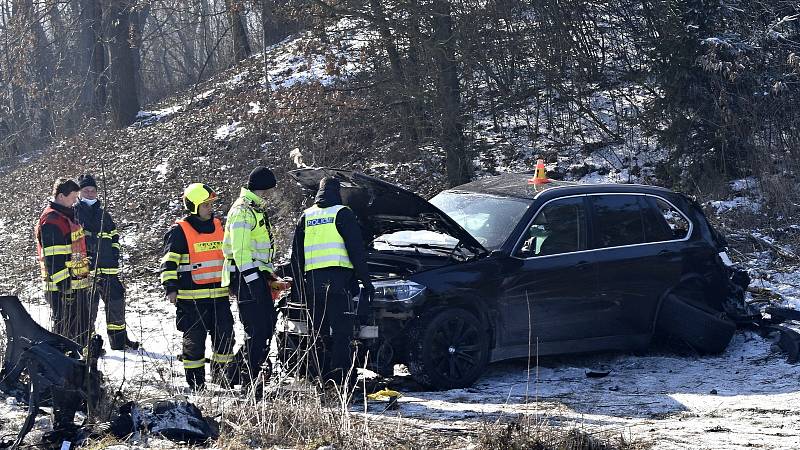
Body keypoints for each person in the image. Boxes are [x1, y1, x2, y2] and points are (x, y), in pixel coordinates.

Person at [290, 177, 374, 387]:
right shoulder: (342, 213)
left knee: (317, 335)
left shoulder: (306, 216)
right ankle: (339, 380)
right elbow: (356, 251)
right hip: (339, 285)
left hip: (313, 287)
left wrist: (298, 289)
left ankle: (318, 377)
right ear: (338, 193)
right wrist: (366, 281)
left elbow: (296, 257)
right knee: (341, 334)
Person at [160, 183, 235, 391]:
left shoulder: (220, 226)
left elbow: (229, 257)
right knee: (194, 344)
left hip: (219, 297)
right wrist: (170, 287)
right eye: (205, 205)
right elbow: (168, 263)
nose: (210, 208)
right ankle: (196, 385)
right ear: (193, 207)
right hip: (191, 300)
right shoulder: (179, 231)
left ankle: (223, 380)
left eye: (211, 204)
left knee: (225, 338)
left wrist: (233, 283)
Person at [222, 166, 288, 389]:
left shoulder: (255, 209)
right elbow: (241, 252)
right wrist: (254, 283)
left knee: (266, 327)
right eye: (270, 190)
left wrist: (269, 277)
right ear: (263, 188)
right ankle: (247, 380)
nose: (272, 195)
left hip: (256, 276)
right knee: (258, 330)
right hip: (246, 278)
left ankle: (234, 375)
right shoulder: (242, 211)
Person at [74, 174, 139, 351]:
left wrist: (115, 254)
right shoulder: (75, 213)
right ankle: (87, 346)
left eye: (92, 190)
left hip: (109, 269)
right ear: (79, 193)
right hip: (87, 271)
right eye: (86, 190)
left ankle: (119, 341)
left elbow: (114, 236)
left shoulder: (104, 214)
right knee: (88, 309)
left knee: (116, 303)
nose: (89, 193)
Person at [35, 178, 93, 347]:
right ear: (61, 196)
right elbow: (54, 258)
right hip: (63, 289)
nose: (76, 201)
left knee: (81, 328)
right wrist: (65, 287)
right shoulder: (52, 221)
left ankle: (84, 360)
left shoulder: (64, 216)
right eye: (73, 197)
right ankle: (67, 363)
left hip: (76, 284)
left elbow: (71, 249)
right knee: (66, 330)